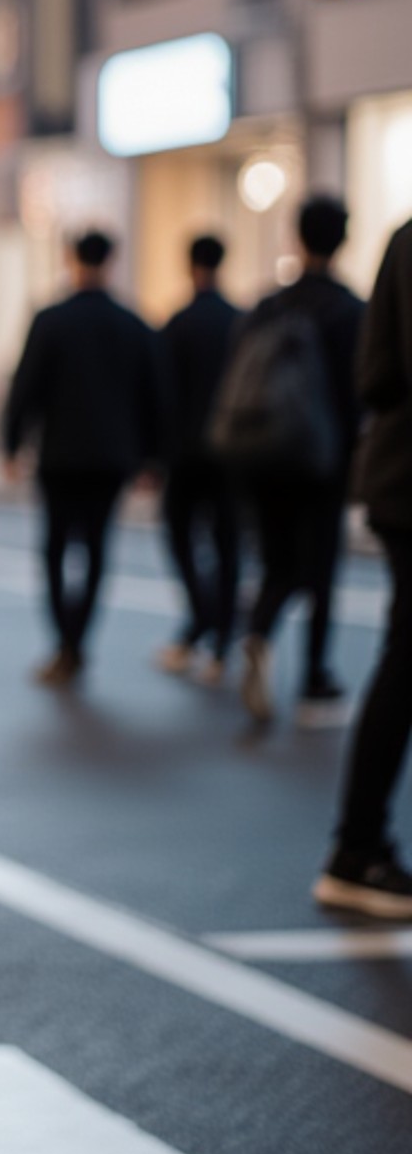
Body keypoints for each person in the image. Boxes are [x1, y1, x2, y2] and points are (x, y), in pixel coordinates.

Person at [3, 229, 164, 688]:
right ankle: (78, 640)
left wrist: (12, 446)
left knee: (55, 548)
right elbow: (152, 395)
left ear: (71, 259)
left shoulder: (51, 319)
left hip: (59, 455)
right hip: (112, 458)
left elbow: (25, 386)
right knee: (96, 550)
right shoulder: (132, 323)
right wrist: (152, 458)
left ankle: (64, 641)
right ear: (112, 262)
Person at [230, 195, 365, 729]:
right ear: (343, 240)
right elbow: (363, 389)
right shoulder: (350, 309)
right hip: (323, 458)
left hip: (265, 456)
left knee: (278, 561)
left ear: (296, 237)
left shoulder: (269, 306)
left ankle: (259, 632)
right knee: (323, 568)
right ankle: (315, 678)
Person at [316, 215, 412, 916]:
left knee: (404, 657)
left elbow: (375, 374)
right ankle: (355, 848)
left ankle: (358, 845)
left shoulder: (404, 240)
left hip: (397, 477)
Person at [155, 234, 241, 681]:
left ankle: (202, 617)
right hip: (230, 455)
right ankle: (222, 639)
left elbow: (162, 395)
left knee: (180, 539)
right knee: (228, 547)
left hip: (185, 454)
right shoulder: (239, 321)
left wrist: (153, 458)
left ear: (190, 266)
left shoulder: (179, 323)